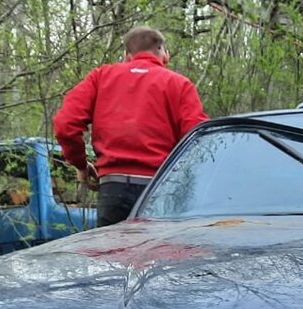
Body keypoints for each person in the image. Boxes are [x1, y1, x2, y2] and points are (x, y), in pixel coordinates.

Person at [53, 26, 207, 227]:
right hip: (161, 189)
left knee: (111, 257)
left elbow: (65, 124)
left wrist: (80, 164)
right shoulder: (179, 85)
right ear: (164, 53)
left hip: (113, 189)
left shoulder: (101, 77)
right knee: (160, 257)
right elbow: (198, 139)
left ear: (127, 56)